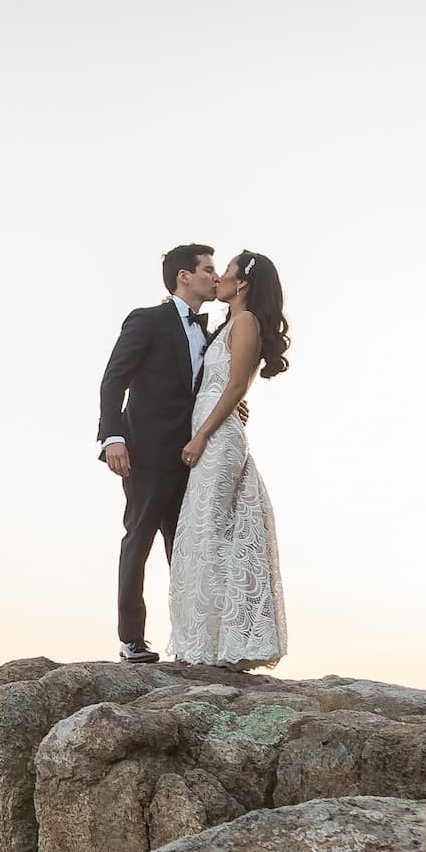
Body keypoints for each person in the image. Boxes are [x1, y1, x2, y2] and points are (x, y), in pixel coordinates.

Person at [95, 244, 220, 663]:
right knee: (139, 540)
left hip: (191, 457)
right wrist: (114, 437)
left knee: (185, 548)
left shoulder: (208, 332)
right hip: (145, 454)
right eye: (207, 269)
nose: (215, 276)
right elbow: (114, 380)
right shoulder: (147, 320)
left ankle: (190, 640)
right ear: (184, 276)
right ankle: (132, 639)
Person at [167, 250, 289, 669]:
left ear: (243, 284)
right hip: (211, 431)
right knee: (201, 534)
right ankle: (204, 640)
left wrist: (202, 435)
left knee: (213, 533)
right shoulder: (228, 326)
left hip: (217, 439)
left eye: (227, 272)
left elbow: (237, 384)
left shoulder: (247, 322)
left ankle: (224, 644)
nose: (218, 278)